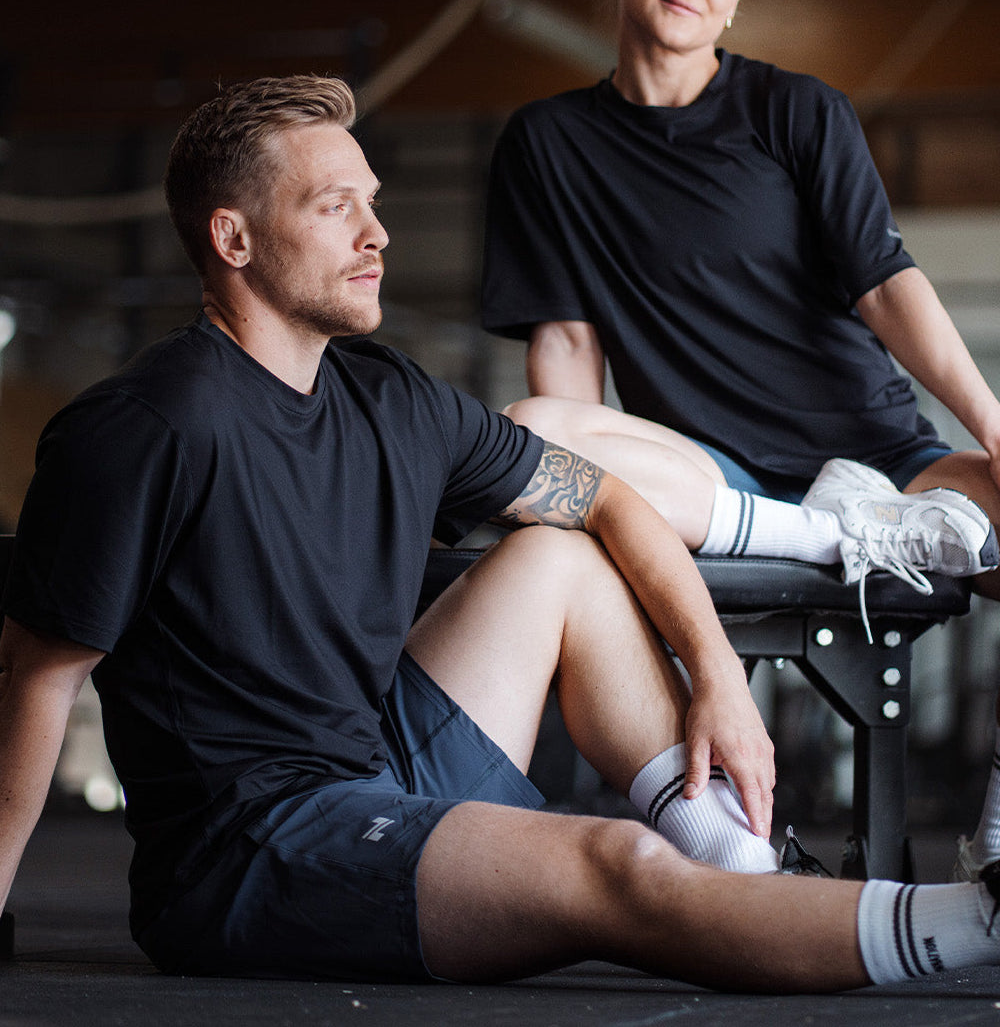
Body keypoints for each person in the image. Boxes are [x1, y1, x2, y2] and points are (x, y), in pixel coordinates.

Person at [2, 75, 1000, 994]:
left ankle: (737, 857)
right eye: (332, 206)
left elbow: (607, 501)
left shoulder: (390, 397)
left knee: (560, 548)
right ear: (233, 239)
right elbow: (37, 678)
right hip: (251, 850)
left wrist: (719, 683)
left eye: (373, 201)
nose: (376, 234)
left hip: (376, 761)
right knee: (614, 864)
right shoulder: (143, 428)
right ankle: (984, 923)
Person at [480, 0, 1000, 614]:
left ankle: (855, 525)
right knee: (529, 432)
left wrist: (994, 428)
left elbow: (884, 283)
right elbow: (567, 339)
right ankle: (819, 534)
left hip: (875, 463)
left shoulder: (798, 110)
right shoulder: (545, 142)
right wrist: (583, 502)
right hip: (707, 471)